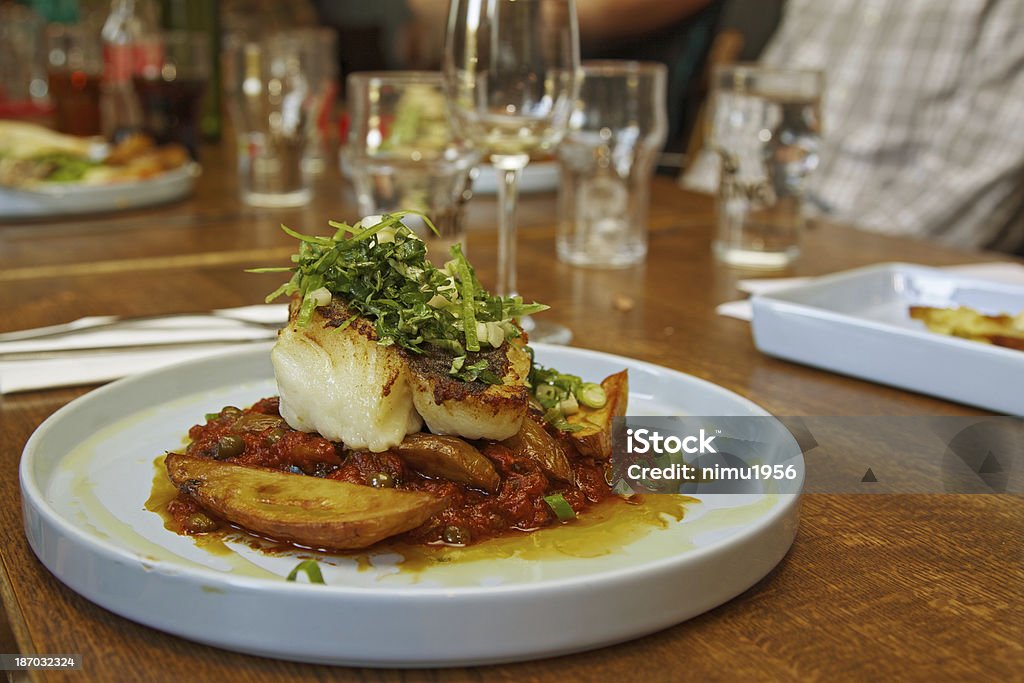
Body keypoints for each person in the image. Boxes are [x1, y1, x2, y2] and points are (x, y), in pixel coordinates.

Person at [686, 0, 1024, 254]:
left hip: (884, 265)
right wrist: (699, 215)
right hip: (767, 239)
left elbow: (980, 175)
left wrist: (831, 255)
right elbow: (756, 118)